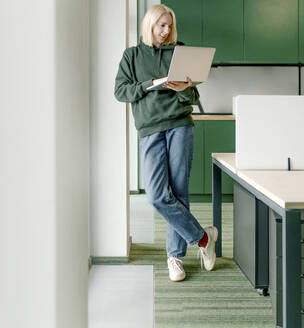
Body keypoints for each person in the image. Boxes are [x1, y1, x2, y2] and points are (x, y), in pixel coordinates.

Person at [114, 4, 218, 282]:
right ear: (149, 25)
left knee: (179, 191)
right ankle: (204, 238)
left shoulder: (179, 52)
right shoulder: (132, 56)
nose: (166, 31)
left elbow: (192, 97)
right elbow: (121, 91)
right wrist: (151, 83)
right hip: (150, 129)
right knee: (158, 195)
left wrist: (185, 89)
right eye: (161, 26)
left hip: (180, 125)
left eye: (169, 26)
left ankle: (175, 257)